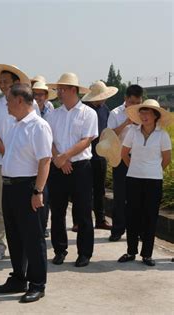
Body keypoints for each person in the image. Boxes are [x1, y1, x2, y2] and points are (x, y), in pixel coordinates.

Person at [0, 84, 52, 303]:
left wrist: (38, 191)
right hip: (10, 187)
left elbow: (45, 161)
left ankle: (37, 284)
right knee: (15, 235)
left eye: (8, 101)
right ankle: (18, 278)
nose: (6, 105)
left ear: (19, 100)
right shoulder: (16, 125)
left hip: (27, 187)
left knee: (33, 238)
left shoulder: (38, 126)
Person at [46, 72, 97, 267]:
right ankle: (59, 249)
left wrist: (65, 157)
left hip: (80, 167)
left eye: (62, 89)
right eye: (58, 89)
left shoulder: (88, 113)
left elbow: (86, 140)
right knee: (57, 210)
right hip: (57, 166)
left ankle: (84, 253)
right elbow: (48, 139)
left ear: (74, 90)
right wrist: (58, 159)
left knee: (83, 210)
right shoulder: (53, 114)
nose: (59, 92)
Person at [0, 64, 32, 261]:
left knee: (23, 206)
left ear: (15, 83)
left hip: (25, 165)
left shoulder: (30, 105)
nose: (2, 85)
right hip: (0, 162)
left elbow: (32, 131)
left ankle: (22, 245)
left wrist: (17, 156)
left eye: (6, 81)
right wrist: (8, 154)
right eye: (0, 82)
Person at [118, 100, 172, 266]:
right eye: (142, 113)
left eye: (148, 113)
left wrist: (153, 170)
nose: (144, 116)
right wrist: (134, 168)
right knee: (132, 215)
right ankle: (131, 251)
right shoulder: (133, 132)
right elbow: (124, 153)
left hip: (154, 181)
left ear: (155, 116)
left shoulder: (162, 135)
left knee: (150, 217)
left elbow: (167, 158)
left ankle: (147, 254)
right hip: (133, 179)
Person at [107, 85, 143, 241]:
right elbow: (109, 135)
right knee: (120, 197)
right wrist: (127, 123)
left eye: (138, 102)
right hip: (121, 158)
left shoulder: (145, 113)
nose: (134, 105)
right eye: (132, 101)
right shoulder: (115, 113)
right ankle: (117, 229)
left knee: (138, 197)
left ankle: (138, 230)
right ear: (125, 99)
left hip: (138, 158)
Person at [81, 81, 118, 231]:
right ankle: (80, 221)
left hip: (101, 155)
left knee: (99, 190)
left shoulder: (105, 109)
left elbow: (108, 131)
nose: (103, 99)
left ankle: (100, 219)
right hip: (85, 156)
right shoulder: (84, 111)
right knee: (83, 190)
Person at [31, 80, 56, 237]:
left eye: (41, 94)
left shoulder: (51, 109)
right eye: (35, 94)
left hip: (47, 157)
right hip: (32, 157)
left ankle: (43, 225)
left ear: (46, 96)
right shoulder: (29, 108)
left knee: (45, 194)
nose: (38, 97)